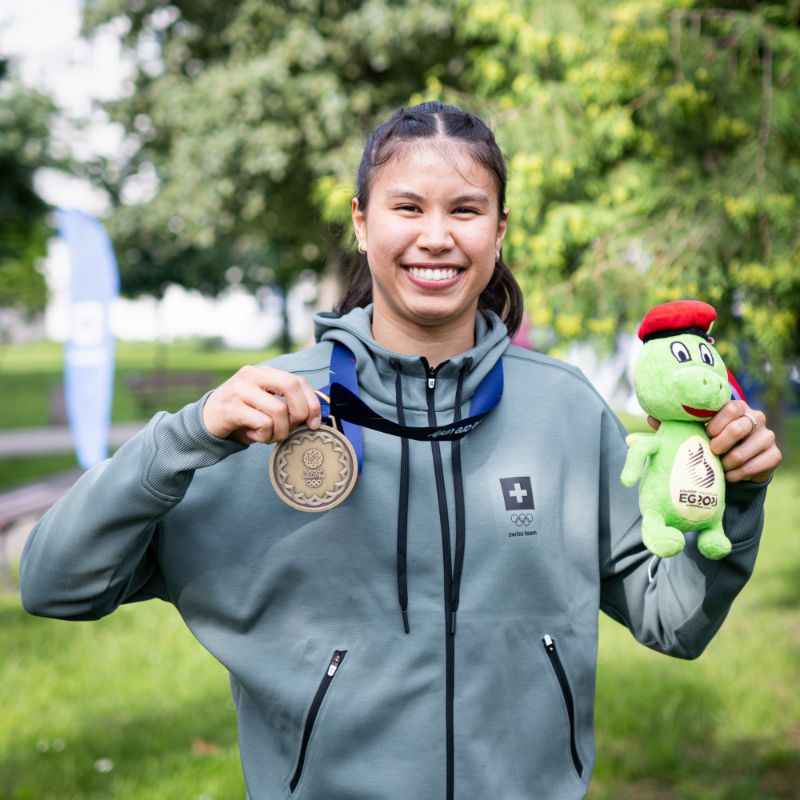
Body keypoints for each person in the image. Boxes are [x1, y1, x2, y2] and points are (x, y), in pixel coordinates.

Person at [20, 102, 781, 800]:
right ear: (361, 222)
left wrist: (737, 499)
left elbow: (672, 620)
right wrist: (184, 436)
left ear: (500, 229)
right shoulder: (256, 413)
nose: (436, 236)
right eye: (407, 207)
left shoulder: (565, 409)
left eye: (466, 210)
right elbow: (56, 584)